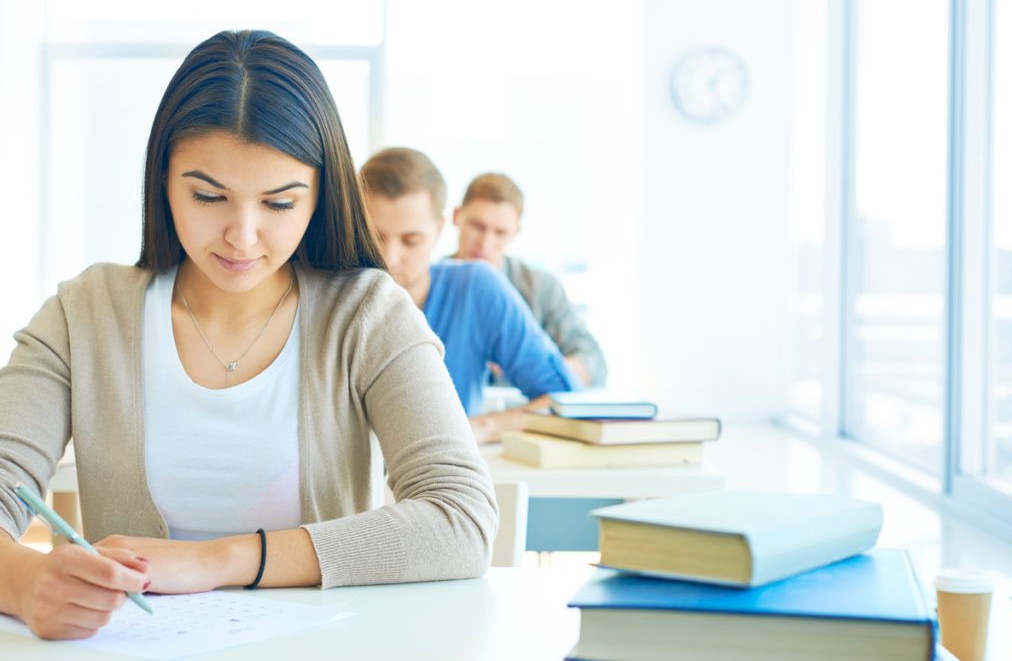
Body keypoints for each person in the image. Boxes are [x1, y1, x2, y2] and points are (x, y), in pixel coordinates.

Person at [0, 31, 496, 641]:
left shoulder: (367, 315)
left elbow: (461, 518)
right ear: (162, 181)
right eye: (208, 195)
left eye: (279, 203)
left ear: (321, 196)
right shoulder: (84, 315)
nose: (242, 235)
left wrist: (215, 561)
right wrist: (24, 581)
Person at [360, 148, 581, 443]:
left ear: (439, 230)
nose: (389, 258)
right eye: (375, 236)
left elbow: (566, 401)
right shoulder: (324, 293)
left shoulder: (477, 288)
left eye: (411, 241)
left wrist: (482, 427)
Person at [453, 173, 608, 387]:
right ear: (456, 217)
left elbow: (594, 362)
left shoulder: (541, 288)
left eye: (500, 232)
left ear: (516, 233)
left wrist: (538, 367)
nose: (485, 243)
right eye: (477, 226)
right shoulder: (427, 283)